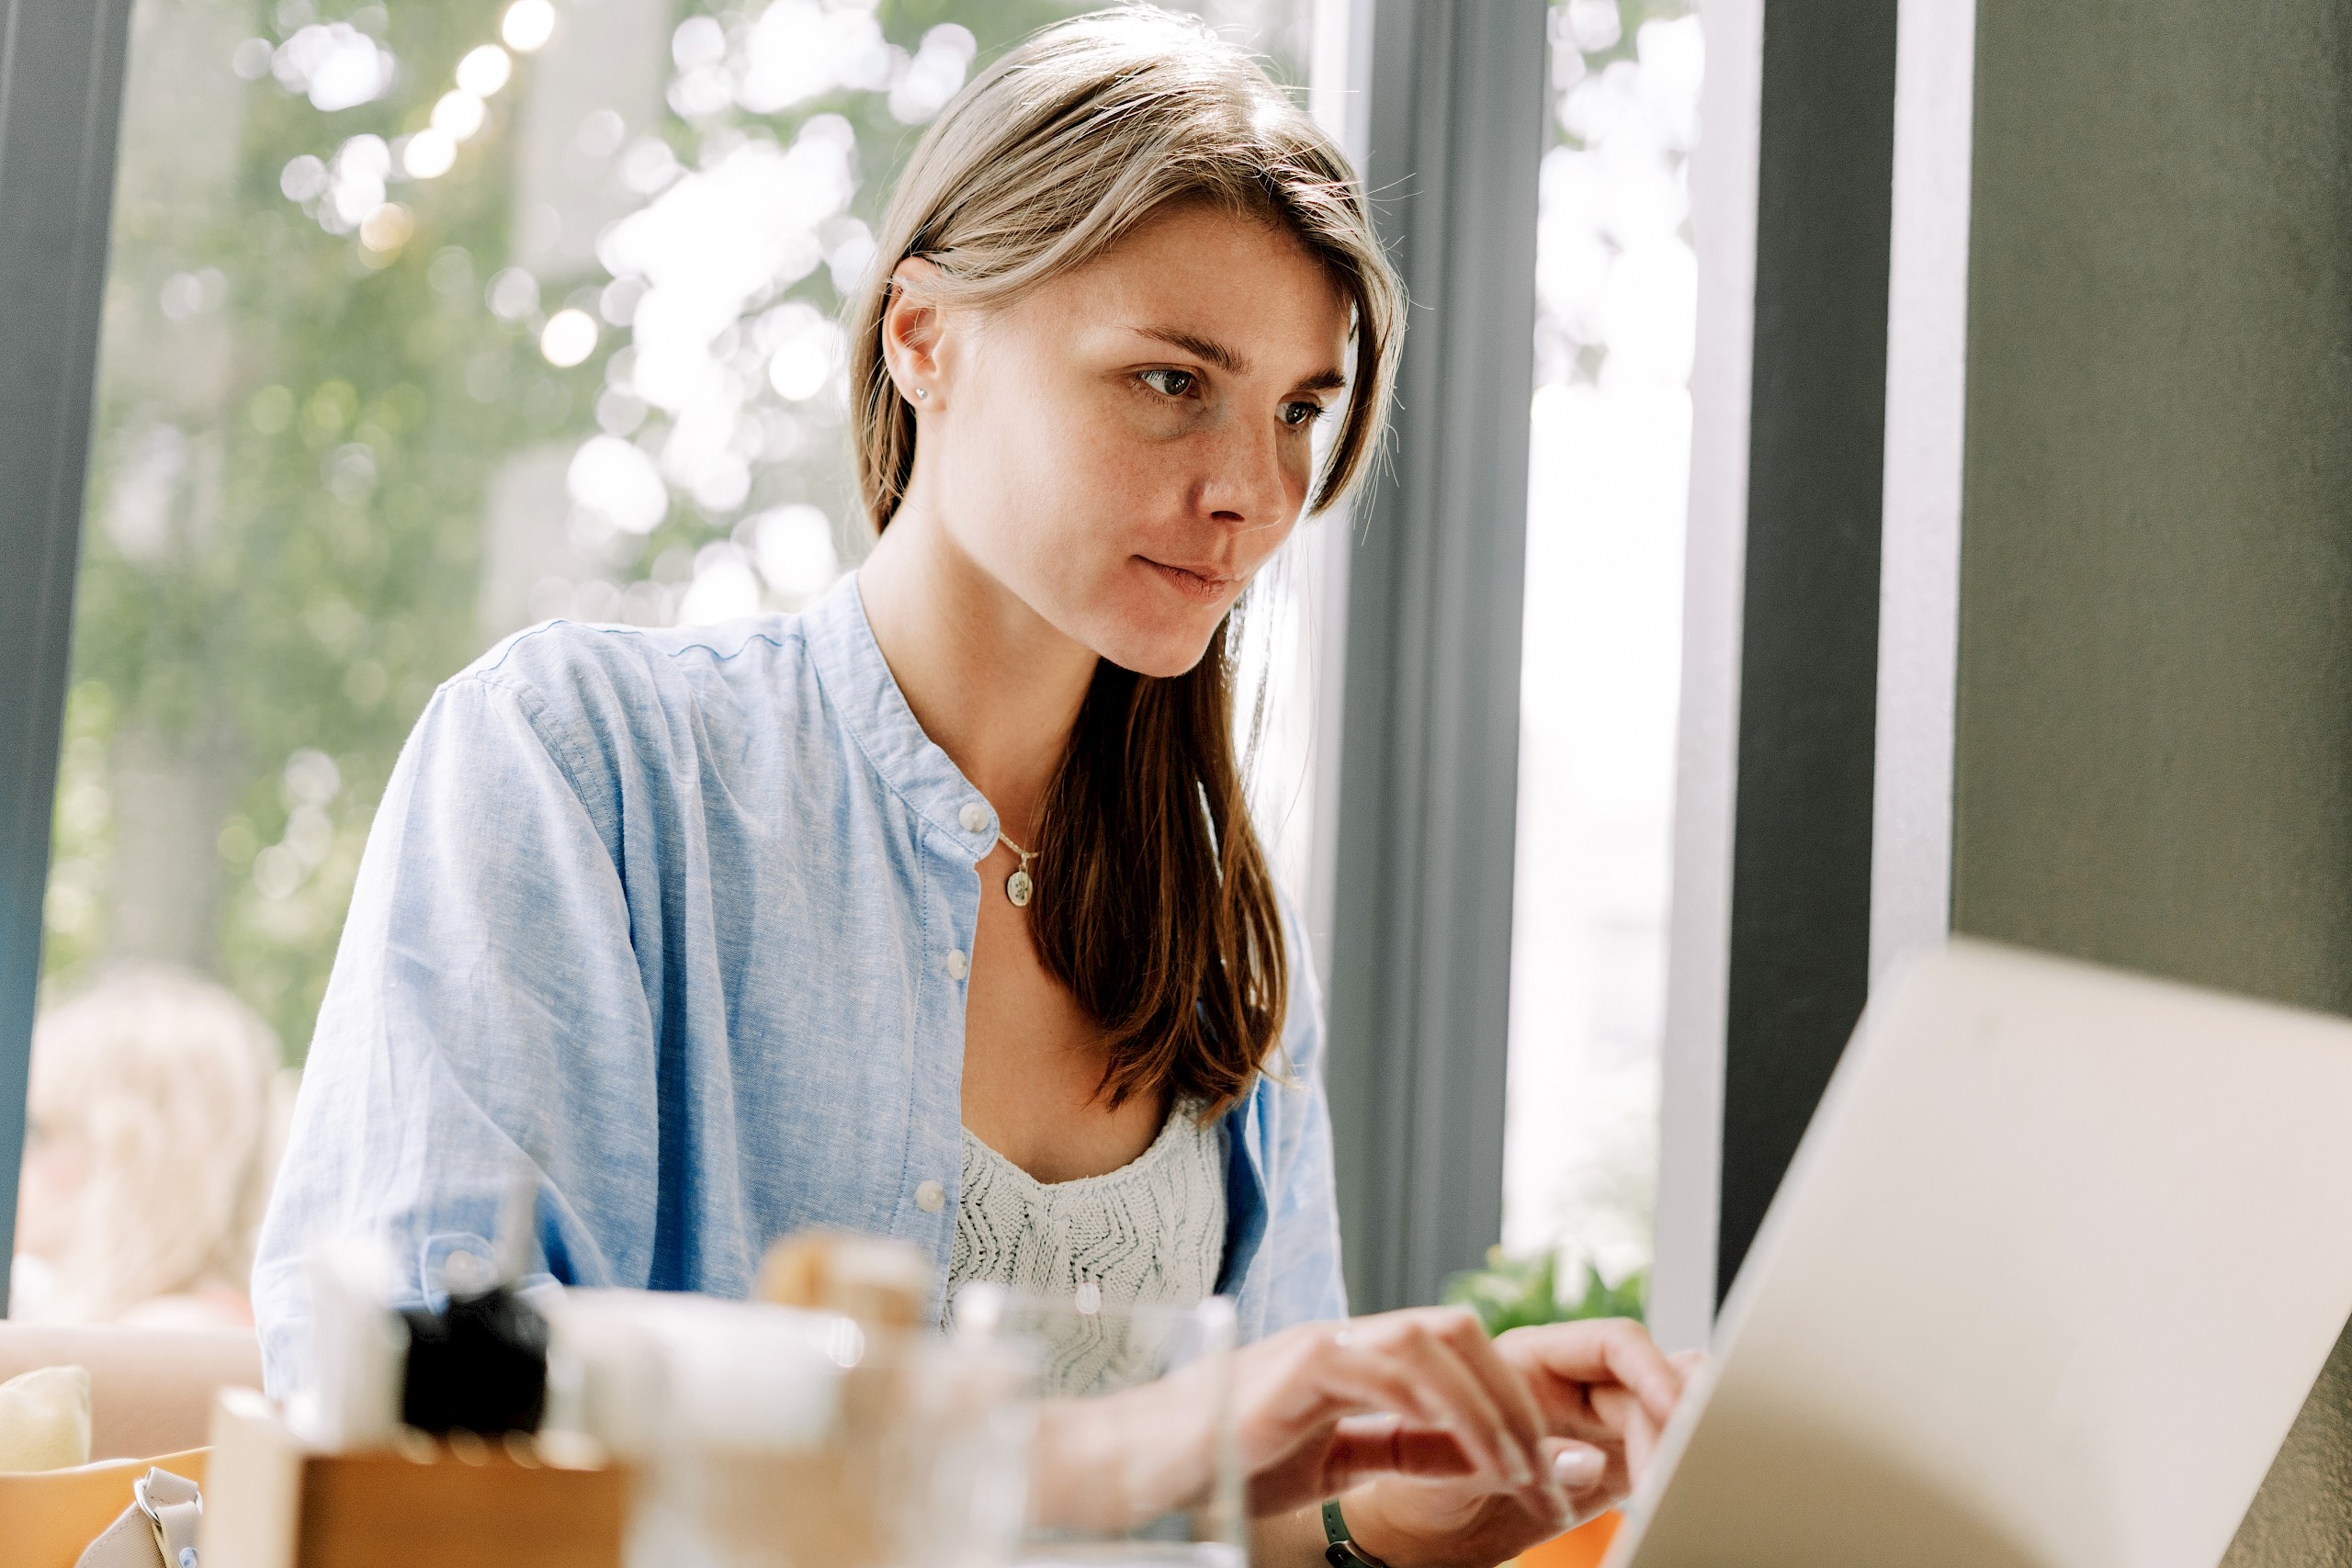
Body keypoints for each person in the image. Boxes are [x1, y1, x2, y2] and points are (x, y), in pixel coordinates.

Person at [254, 8, 1689, 1561]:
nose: (1252, 493)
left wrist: (1391, 1517)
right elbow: (419, 1423)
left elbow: (1240, 1519)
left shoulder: (1220, 929)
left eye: (1297, 409)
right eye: (1167, 381)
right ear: (923, 338)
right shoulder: (579, 763)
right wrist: (1107, 1447)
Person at [12, 964, 285, 1328]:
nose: (13, 1152)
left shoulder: (178, 1329)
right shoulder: (134, 1321)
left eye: (35, 1130)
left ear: (130, 1155)